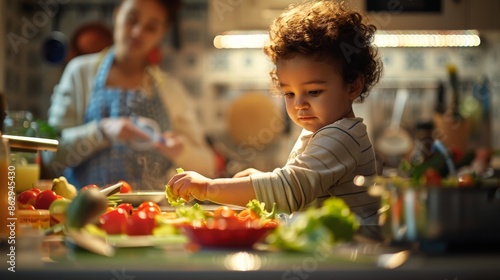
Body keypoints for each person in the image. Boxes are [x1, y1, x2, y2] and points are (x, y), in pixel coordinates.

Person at [167, 0, 384, 240]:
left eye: (313, 92)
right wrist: (257, 180)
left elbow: (289, 189)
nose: (299, 103)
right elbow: (299, 184)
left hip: (350, 256)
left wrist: (208, 188)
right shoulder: (325, 130)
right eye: (289, 94)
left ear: (353, 85)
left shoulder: (341, 136)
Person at [43, 0, 216, 190]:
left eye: (151, 28)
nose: (137, 32)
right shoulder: (80, 73)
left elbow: (208, 166)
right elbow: (51, 155)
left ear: (162, 33)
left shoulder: (170, 89)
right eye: (131, 19)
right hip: (87, 212)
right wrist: (102, 131)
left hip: (153, 213)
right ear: (117, 14)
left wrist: (181, 151)